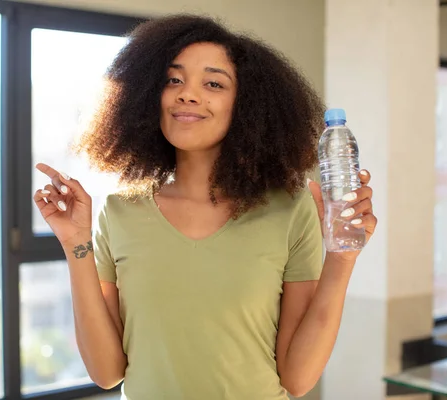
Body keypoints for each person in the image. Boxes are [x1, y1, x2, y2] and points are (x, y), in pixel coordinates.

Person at [33, 14, 377, 400]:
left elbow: (296, 379)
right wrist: (76, 243)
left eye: (213, 83)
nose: (187, 94)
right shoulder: (120, 213)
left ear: (247, 106)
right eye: (173, 80)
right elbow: (107, 372)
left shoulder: (290, 210)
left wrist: (342, 259)